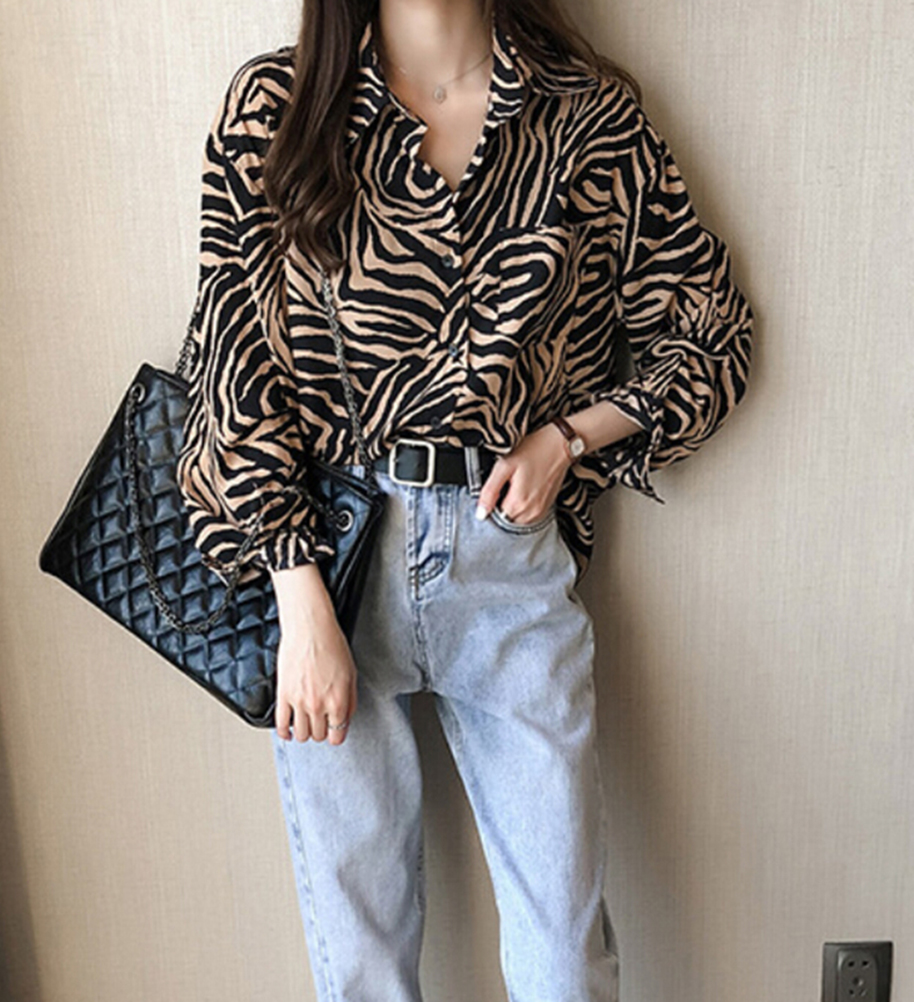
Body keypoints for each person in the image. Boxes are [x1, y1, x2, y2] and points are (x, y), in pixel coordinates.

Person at [177, 0, 754, 998]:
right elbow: (233, 374)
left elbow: (712, 331)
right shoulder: (277, 107)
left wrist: (570, 437)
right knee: (362, 963)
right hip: (331, 566)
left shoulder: (584, 113)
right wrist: (299, 601)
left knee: (566, 957)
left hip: (509, 563)